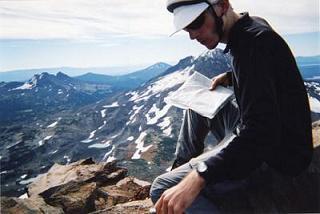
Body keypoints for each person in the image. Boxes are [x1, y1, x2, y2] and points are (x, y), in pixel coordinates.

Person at [149, 0, 314, 213]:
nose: (192, 35)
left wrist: (200, 175)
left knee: (160, 187)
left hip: (276, 155)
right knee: (198, 104)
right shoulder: (252, 27)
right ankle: (181, 170)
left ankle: (185, 184)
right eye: (187, 28)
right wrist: (233, 77)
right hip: (267, 132)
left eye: (197, 22)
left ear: (223, 6)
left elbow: (261, 133)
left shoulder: (252, 44)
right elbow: (270, 74)